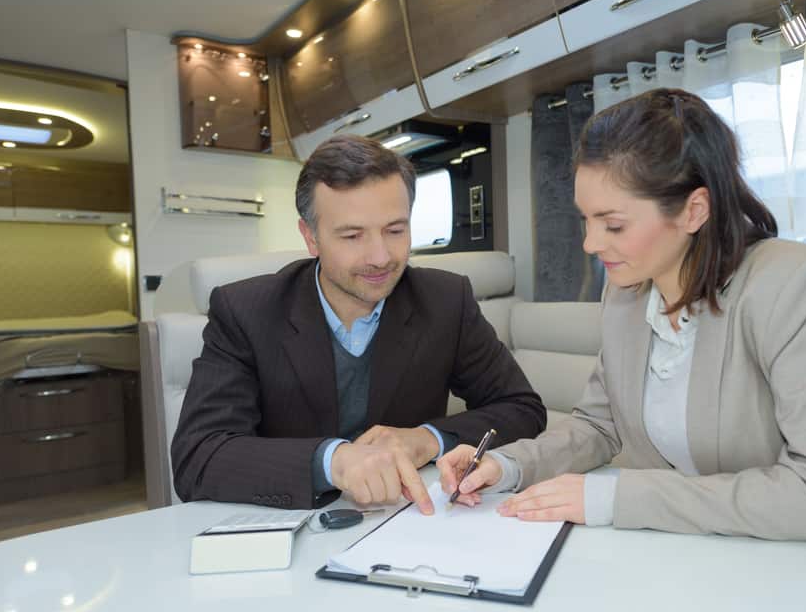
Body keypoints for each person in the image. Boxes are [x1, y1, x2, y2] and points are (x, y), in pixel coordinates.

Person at [438, 88, 806, 541]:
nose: (590, 243)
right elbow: (599, 427)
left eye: (614, 224)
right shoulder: (624, 297)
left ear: (693, 211)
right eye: (586, 220)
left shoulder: (801, 285)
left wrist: (616, 498)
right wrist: (508, 466)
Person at [172, 134, 546, 513]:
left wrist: (427, 439)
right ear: (310, 237)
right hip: (293, 523)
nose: (381, 257)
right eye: (352, 236)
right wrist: (332, 460)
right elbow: (197, 458)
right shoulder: (245, 311)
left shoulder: (445, 300)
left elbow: (522, 408)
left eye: (395, 230)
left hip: (407, 520)